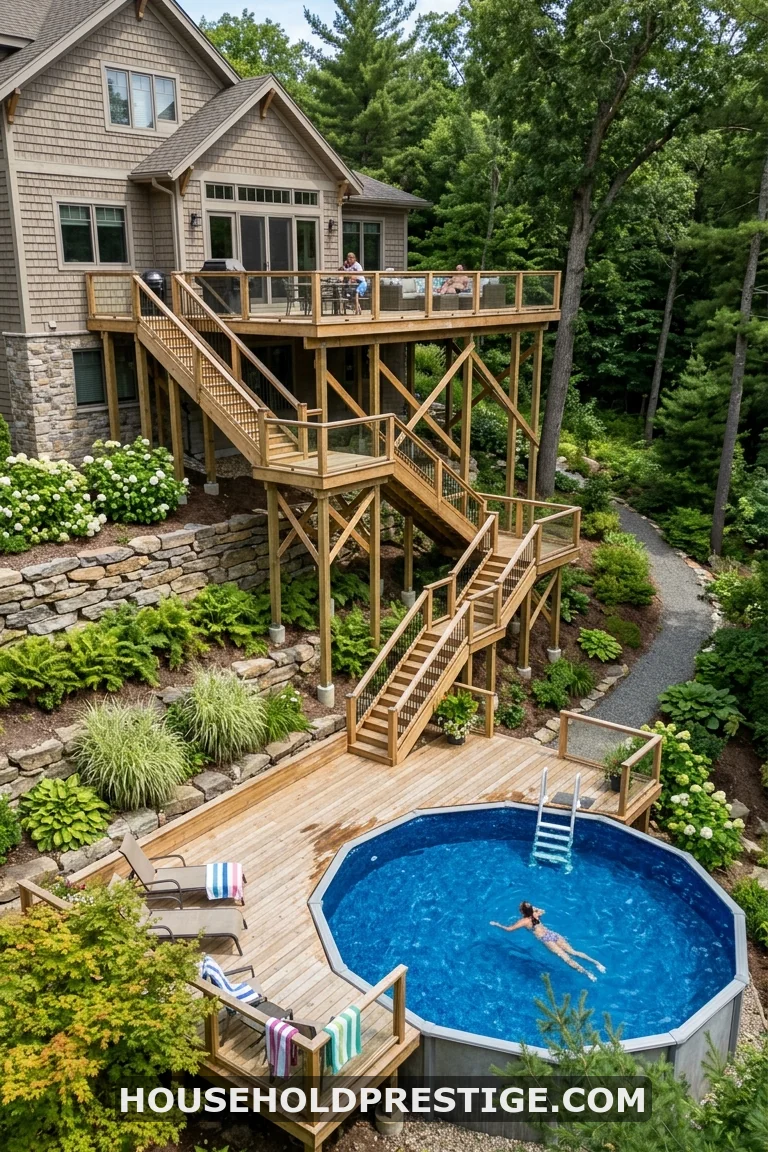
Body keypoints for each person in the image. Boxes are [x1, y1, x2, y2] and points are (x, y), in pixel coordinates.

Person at [490, 902, 605, 982]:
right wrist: (533, 908)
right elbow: (543, 911)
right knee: (573, 952)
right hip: (552, 934)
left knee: (566, 958)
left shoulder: (524, 921)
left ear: (522, 911)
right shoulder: (535, 914)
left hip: (546, 939)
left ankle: (587, 973)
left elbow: (509, 929)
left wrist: (497, 924)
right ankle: (597, 963)